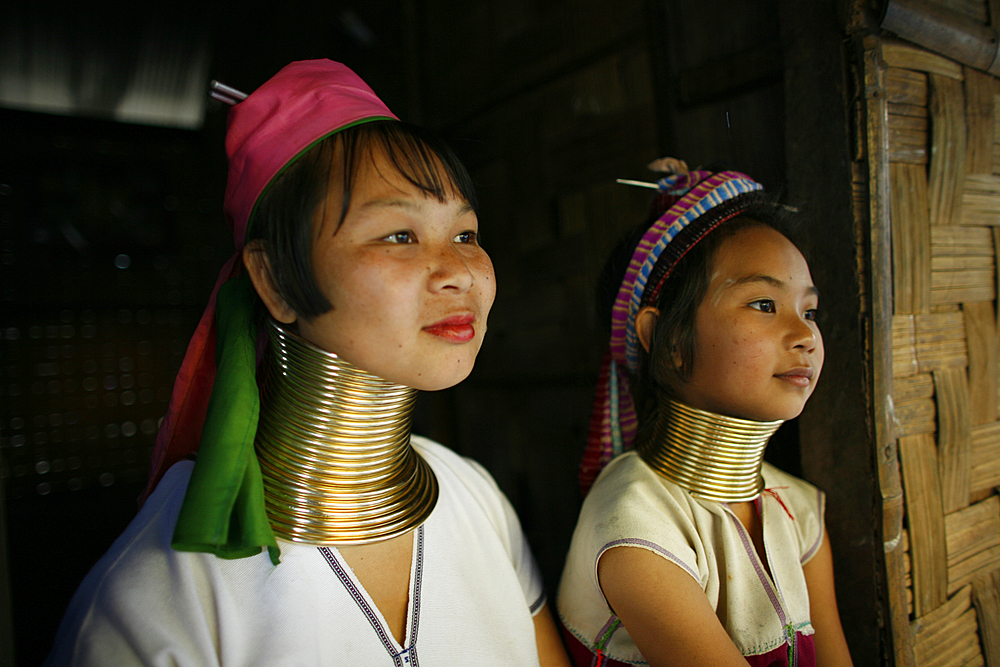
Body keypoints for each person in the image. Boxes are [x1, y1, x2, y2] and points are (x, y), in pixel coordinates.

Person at [46, 59, 569, 666]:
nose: (458, 273)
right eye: (399, 235)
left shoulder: (473, 495)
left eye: (466, 235)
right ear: (274, 281)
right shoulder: (159, 596)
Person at [555, 161, 853, 667]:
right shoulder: (635, 525)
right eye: (763, 304)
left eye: (809, 311)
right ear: (668, 340)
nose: (805, 336)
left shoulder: (796, 508)